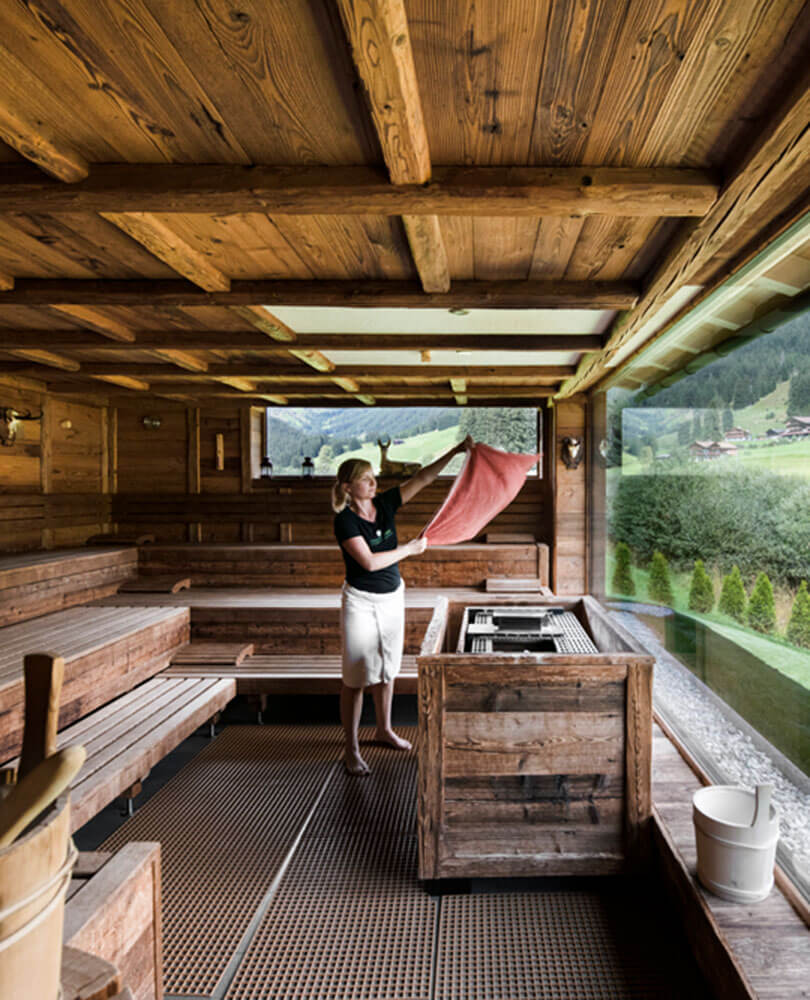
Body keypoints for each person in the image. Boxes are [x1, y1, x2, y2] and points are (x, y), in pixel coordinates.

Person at [332, 435, 473, 775]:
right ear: (349, 487)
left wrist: (455, 451)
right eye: (366, 479)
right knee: (355, 676)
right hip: (360, 602)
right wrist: (409, 550)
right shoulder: (345, 520)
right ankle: (351, 749)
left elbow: (423, 478)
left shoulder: (386, 504)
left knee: (388, 668)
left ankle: (384, 729)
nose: (373, 482)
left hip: (393, 597)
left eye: (372, 477)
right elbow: (368, 563)